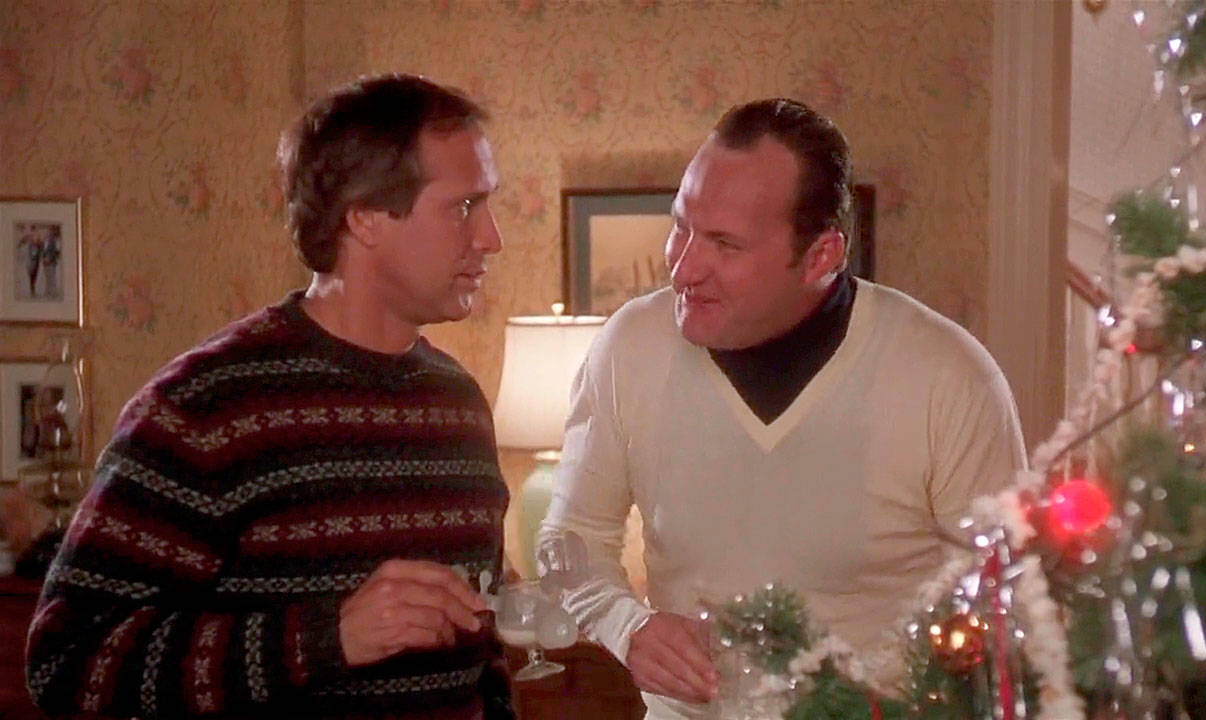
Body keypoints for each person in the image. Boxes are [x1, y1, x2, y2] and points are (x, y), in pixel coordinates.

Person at [26, 74, 513, 720]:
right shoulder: (206, 407)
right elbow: (67, 663)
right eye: (463, 207)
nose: (491, 237)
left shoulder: (458, 405)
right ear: (365, 216)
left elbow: (483, 661)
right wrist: (327, 638)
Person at [539, 98, 1027, 719]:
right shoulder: (629, 346)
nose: (683, 268)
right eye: (681, 225)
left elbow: (1008, 605)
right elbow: (570, 541)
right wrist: (624, 626)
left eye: (724, 244)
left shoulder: (948, 378)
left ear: (821, 256)